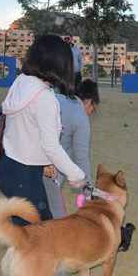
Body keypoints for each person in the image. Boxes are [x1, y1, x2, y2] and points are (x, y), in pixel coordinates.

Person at [0, 34, 86, 276]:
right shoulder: (46, 98)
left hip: (14, 167)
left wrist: (45, 162)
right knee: (33, 239)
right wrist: (77, 174)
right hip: (23, 175)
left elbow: (26, 130)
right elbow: (51, 144)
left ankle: (48, 271)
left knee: (42, 224)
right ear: (56, 63)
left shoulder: (22, 83)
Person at [43, 80, 100, 219]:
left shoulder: (55, 97)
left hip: (23, 164)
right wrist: (88, 191)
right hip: (49, 172)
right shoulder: (80, 117)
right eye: (93, 109)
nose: (92, 113)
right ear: (87, 101)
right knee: (58, 220)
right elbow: (81, 157)